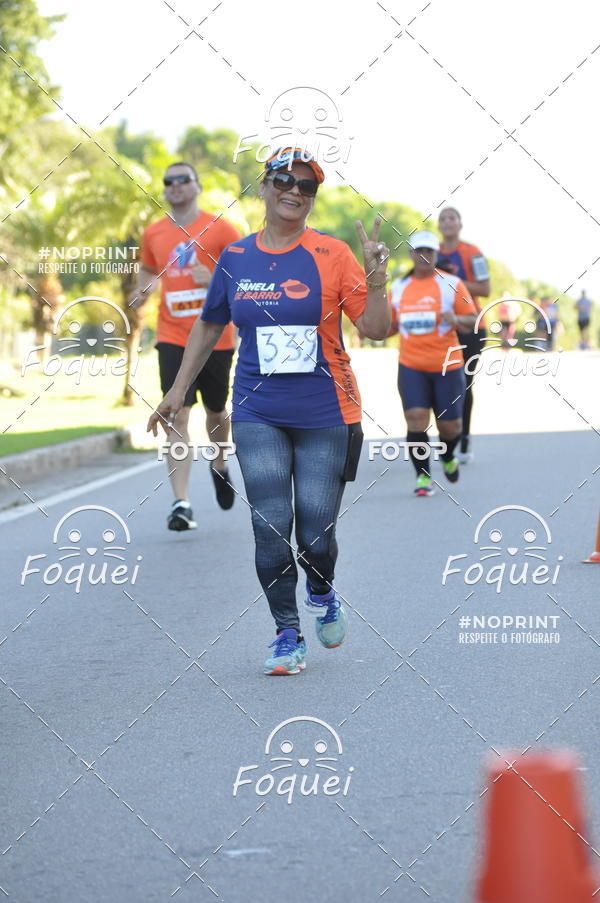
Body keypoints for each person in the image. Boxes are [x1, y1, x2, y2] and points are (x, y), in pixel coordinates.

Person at [147, 147, 391, 675]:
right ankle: (287, 633)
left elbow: (374, 329)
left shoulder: (333, 254)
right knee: (270, 526)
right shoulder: (236, 257)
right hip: (257, 410)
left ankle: (321, 589)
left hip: (327, 411)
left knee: (316, 536)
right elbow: (210, 324)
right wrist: (177, 391)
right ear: (263, 187)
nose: (294, 191)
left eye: (306, 186)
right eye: (284, 180)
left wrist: (376, 280)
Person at [131, 161, 241, 531]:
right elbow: (149, 268)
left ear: (198, 186)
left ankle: (220, 463)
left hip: (215, 335)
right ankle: (181, 503)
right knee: (176, 412)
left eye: (183, 179)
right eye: (169, 181)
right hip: (172, 334)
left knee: (216, 411)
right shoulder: (154, 232)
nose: (175, 185)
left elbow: (245, 275)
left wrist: (214, 278)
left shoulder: (221, 229)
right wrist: (145, 287)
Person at [389, 231, 476, 497]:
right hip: (411, 365)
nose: (424, 256)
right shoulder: (399, 287)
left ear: (437, 254)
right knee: (415, 419)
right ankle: (423, 477)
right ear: (411, 254)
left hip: (447, 366)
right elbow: (389, 326)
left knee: (451, 427)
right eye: (419, 251)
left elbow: (472, 320)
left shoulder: (451, 283)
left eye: (429, 251)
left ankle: (448, 455)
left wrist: (455, 319)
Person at [437, 207, 490, 464]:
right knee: (440, 383)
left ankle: (464, 438)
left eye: (452, 218)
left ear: (460, 224)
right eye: (442, 219)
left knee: (463, 383)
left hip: (471, 326)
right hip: (441, 328)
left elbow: (485, 288)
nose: (447, 222)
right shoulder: (431, 253)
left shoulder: (472, 252)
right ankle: (446, 439)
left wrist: (453, 281)